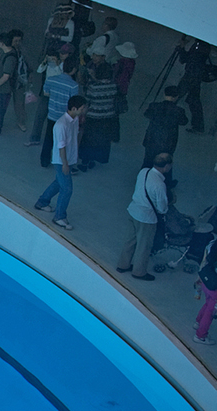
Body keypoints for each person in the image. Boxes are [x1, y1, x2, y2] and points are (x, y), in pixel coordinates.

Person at [34, 94, 86, 230]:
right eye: (82, 108)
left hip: (68, 159)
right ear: (74, 108)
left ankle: (42, 202)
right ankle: (59, 216)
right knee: (67, 189)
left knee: (59, 183)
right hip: (62, 160)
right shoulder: (61, 125)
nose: (84, 110)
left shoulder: (74, 120)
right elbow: (61, 147)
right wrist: (65, 164)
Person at [117, 153, 172, 281]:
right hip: (146, 218)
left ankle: (123, 265)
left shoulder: (144, 172)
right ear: (166, 166)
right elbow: (162, 208)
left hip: (134, 210)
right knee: (144, 246)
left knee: (129, 241)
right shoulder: (159, 184)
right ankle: (139, 271)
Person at [78, 45, 119, 169]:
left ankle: (85, 161)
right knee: (100, 140)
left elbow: (88, 101)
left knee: (88, 140)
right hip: (107, 118)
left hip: (93, 117)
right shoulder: (113, 86)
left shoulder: (93, 87)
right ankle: (94, 160)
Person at [141, 85, 188, 169]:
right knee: (165, 164)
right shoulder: (179, 111)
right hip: (168, 142)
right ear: (177, 97)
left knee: (147, 161)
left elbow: (147, 114)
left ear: (164, 94)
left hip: (152, 138)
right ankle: (164, 180)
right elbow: (184, 121)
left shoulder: (154, 106)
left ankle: (144, 178)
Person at [174, 35, 211, 134]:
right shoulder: (200, 45)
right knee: (193, 101)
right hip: (194, 76)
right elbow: (186, 59)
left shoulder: (200, 46)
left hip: (191, 76)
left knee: (177, 96)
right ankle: (198, 126)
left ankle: (166, 116)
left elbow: (187, 60)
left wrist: (182, 47)